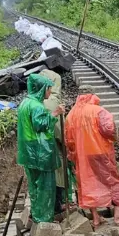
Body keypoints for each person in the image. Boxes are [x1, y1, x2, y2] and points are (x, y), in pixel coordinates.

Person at [64, 93, 119, 227]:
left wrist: (73, 155)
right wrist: (116, 140)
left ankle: (95, 218)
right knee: (113, 181)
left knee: (88, 184)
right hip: (100, 151)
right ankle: (118, 216)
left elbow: (69, 140)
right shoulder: (98, 110)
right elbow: (108, 129)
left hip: (83, 155)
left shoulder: (71, 115)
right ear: (92, 97)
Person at [17, 74, 64, 223]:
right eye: (48, 89)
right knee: (45, 187)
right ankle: (44, 219)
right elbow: (39, 125)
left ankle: (37, 215)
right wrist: (55, 113)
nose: (49, 93)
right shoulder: (36, 106)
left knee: (34, 187)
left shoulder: (25, 102)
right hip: (40, 152)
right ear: (41, 89)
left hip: (28, 152)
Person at [38, 68, 72, 213]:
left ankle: (49, 207)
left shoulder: (35, 100)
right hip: (52, 147)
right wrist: (67, 145)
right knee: (58, 176)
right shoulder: (52, 102)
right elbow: (58, 130)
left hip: (39, 146)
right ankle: (57, 208)